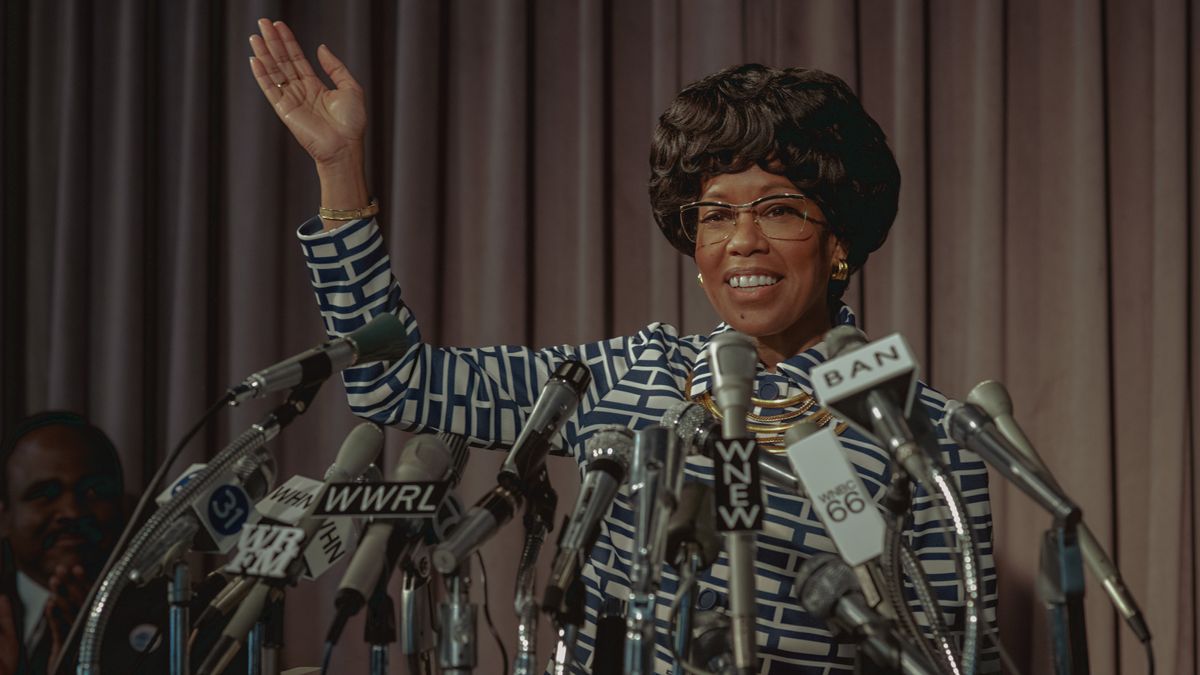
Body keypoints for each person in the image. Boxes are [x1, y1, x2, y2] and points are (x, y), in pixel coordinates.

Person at [248, 18, 998, 673]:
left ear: (838, 239)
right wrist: (339, 171)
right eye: (714, 215)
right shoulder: (641, 373)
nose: (742, 242)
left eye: (778, 209)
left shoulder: (920, 431)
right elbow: (399, 385)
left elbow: (950, 652)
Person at [0, 412, 124, 674]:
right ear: (4, 517)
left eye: (92, 491)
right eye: (45, 494)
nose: (71, 512)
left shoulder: (174, 617)